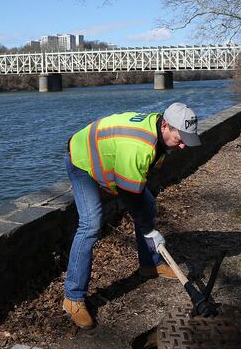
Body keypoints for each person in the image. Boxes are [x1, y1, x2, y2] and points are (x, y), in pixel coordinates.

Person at [62, 102, 201, 329]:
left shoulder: (160, 137)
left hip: (107, 156)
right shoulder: (140, 145)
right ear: (165, 125)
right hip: (81, 157)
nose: (183, 146)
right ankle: (72, 297)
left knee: (147, 205)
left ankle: (149, 264)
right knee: (91, 224)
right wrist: (150, 231)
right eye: (180, 138)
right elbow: (128, 196)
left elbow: (136, 187)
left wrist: (148, 224)